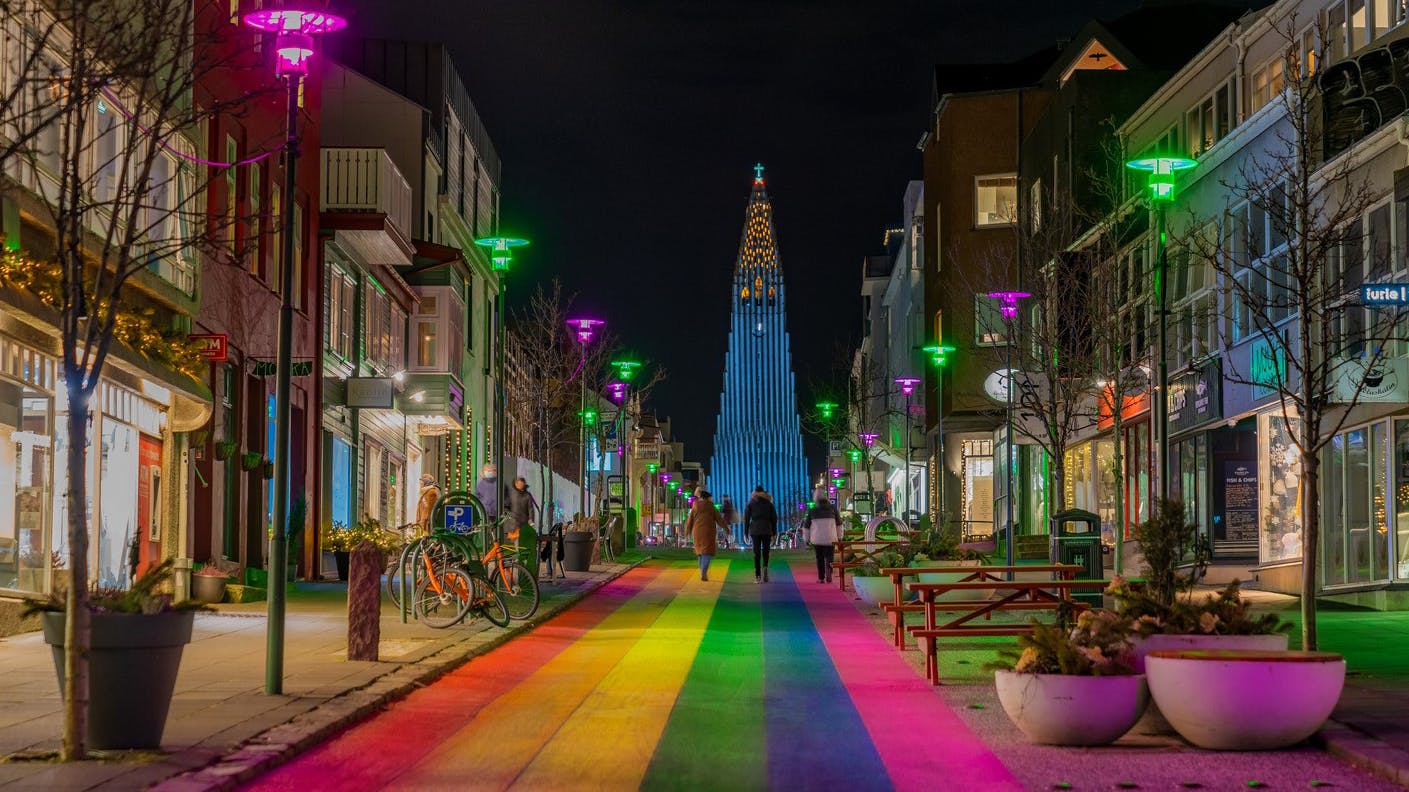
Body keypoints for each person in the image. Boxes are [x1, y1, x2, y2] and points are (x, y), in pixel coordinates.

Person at [686, 489, 728, 581]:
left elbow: (690, 520)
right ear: (708, 498)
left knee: (700, 553)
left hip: (697, 532)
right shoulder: (711, 506)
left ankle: (702, 571)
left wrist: (687, 531)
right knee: (707, 552)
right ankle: (703, 572)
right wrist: (727, 529)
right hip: (708, 532)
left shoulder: (695, 506)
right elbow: (719, 519)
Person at [804, 489, 843, 584]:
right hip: (830, 537)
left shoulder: (812, 510)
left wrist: (807, 539)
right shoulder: (833, 509)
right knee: (830, 556)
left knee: (819, 558)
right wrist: (840, 537)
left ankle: (821, 578)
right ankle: (829, 571)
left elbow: (806, 527)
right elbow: (839, 524)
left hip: (817, 539)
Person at [743, 485, 778, 583]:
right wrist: (774, 533)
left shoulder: (751, 503)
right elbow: (774, 519)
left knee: (756, 553)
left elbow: (746, 519)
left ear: (755, 493)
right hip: (767, 529)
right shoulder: (769, 504)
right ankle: (765, 567)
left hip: (755, 530)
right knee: (766, 551)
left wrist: (745, 533)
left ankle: (757, 576)